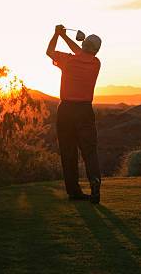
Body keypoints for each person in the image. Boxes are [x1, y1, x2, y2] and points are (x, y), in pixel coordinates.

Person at [46, 24, 102, 204]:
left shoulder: (69, 60)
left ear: (84, 44)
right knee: (89, 151)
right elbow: (81, 51)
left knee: (68, 152)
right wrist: (63, 36)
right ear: (96, 50)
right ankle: (95, 186)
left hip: (66, 110)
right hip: (85, 110)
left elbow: (49, 51)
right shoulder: (96, 63)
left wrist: (57, 35)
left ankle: (74, 191)